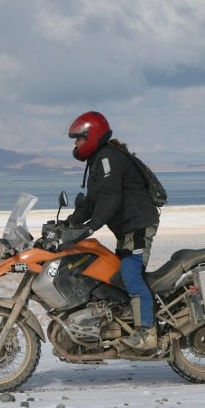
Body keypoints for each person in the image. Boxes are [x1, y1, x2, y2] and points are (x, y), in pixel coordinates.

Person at [66, 111, 160, 350]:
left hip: (137, 225)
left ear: (92, 135)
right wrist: (69, 223)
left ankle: (147, 332)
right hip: (126, 228)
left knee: (130, 274)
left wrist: (91, 227)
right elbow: (92, 201)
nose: (76, 144)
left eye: (79, 138)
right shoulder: (99, 160)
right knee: (112, 275)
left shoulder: (108, 158)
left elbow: (110, 198)